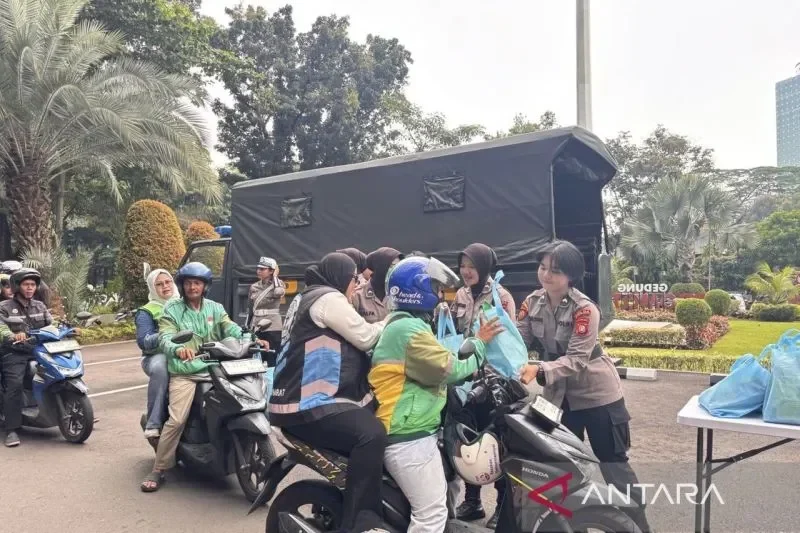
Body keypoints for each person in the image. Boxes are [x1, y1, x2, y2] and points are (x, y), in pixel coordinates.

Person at [517, 240, 652, 533]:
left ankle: (639, 525)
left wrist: (538, 368)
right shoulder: (532, 302)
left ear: (571, 275)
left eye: (555, 270)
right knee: (558, 465)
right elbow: (519, 341)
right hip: (558, 398)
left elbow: (577, 359)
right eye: (542, 267)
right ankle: (572, 525)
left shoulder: (584, 310)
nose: (546, 275)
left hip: (598, 396)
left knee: (613, 465)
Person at [370, 257, 503, 533]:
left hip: (420, 427)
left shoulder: (407, 323)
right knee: (431, 513)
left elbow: (439, 360)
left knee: (451, 485)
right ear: (418, 290)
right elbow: (448, 369)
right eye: (436, 288)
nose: (441, 295)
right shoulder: (408, 330)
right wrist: (480, 344)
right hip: (407, 435)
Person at [269, 252, 388, 533]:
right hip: (308, 405)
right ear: (341, 278)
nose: (356, 286)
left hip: (294, 401)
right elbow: (366, 336)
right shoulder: (327, 298)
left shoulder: (307, 296)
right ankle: (362, 523)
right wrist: (394, 318)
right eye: (353, 279)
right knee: (371, 435)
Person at [140, 262, 268, 492]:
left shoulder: (215, 308)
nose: (192, 287)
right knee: (177, 419)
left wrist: (250, 338)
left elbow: (231, 328)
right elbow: (165, 337)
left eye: (197, 283)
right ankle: (159, 468)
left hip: (217, 367)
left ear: (205, 285)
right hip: (186, 372)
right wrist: (178, 349)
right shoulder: (172, 310)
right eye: (188, 283)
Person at [450, 243, 515, 527]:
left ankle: (502, 506)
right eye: (463, 265)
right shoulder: (461, 295)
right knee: (469, 440)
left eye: (472, 266)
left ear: (485, 267)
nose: (466, 271)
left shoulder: (501, 296)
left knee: (498, 443)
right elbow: (454, 331)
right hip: (466, 379)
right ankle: (472, 501)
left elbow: (508, 341)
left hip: (494, 382)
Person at [0, 269, 53, 447]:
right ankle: (12, 429)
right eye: (26, 284)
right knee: (14, 384)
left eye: (33, 284)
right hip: (14, 352)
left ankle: (72, 408)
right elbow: (1, 328)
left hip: (38, 349)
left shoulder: (40, 306)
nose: (30, 288)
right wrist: (12, 335)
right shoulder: (5, 307)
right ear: (17, 286)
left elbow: (51, 325)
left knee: (59, 371)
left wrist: (68, 329)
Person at [136, 268, 178, 443]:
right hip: (157, 356)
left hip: (185, 353)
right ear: (153, 288)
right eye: (159, 284)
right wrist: (167, 335)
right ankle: (153, 423)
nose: (165, 286)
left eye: (168, 282)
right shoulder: (147, 311)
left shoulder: (184, 303)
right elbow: (144, 342)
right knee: (161, 367)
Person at [353, 247, 403, 323]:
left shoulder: (403, 294)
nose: (396, 270)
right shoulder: (358, 296)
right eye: (392, 266)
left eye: (399, 266)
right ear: (380, 266)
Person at [248, 256, 286, 350]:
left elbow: (278, 292)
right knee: (257, 355)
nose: (259, 271)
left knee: (272, 356)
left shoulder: (278, 284)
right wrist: (249, 325)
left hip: (272, 326)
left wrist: (275, 277)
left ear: (271, 271)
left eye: (262, 269)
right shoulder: (254, 287)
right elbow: (251, 308)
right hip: (257, 326)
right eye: (258, 268)